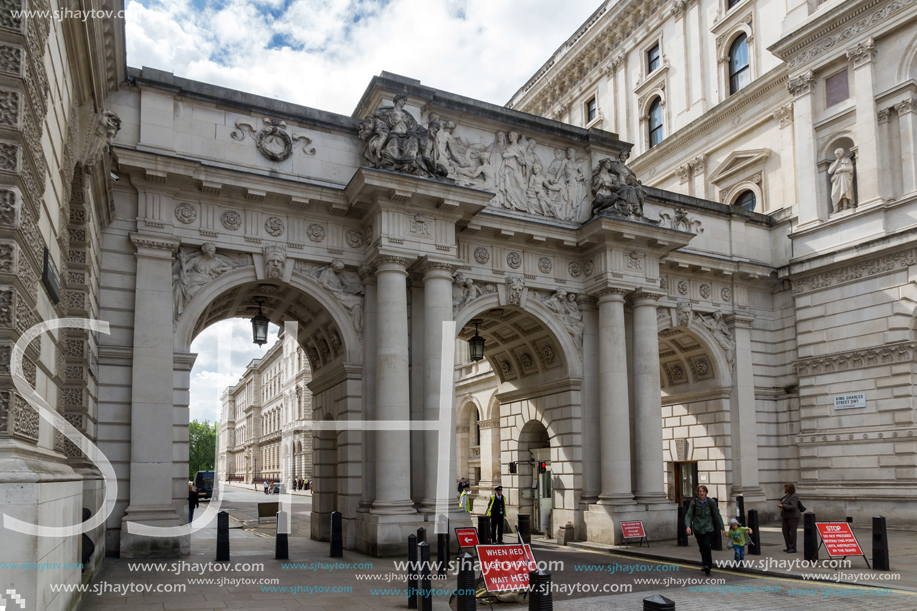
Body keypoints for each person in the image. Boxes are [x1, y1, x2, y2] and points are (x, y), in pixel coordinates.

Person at [685, 485, 726, 575]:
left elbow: (717, 515)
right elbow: (689, 515)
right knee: (702, 547)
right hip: (697, 529)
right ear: (698, 493)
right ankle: (705, 564)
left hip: (708, 528)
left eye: (703, 491)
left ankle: (708, 565)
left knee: (707, 546)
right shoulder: (694, 503)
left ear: (706, 492)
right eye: (700, 491)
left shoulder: (711, 502)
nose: (702, 493)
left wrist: (722, 528)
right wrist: (688, 526)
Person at [779, 483, 801, 553]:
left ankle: (793, 547)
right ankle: (788, 546)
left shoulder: (793, 496)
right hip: (785, 516)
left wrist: (784, 505)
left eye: (785, 488)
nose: (784, 489)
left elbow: (794, 507)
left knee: (793, 532)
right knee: (785, 531)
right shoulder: (788, 495)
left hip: (793, 517)